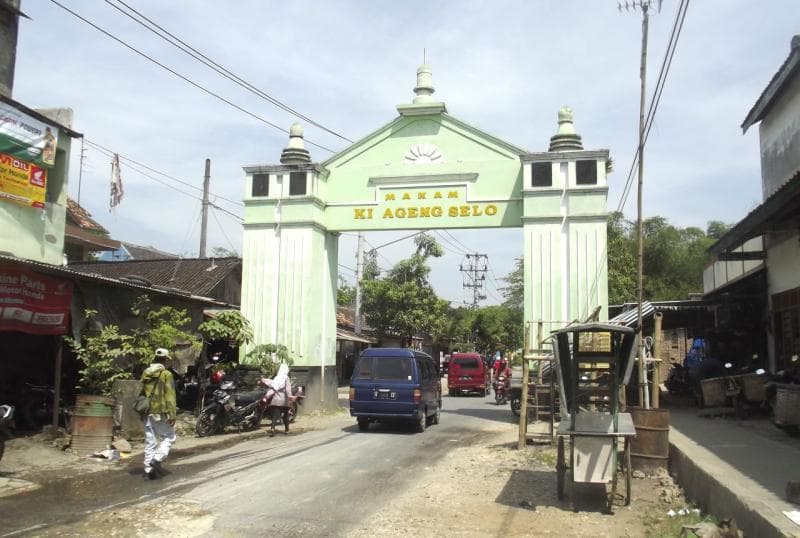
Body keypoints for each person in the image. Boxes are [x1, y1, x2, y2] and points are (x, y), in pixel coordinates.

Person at [140, 347, 177, 480]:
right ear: (166, 359)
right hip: (160, 411)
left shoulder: (146, 372)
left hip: (146, 411)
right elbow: (170, 396)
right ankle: (156, 459)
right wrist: (172, 415)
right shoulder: (166, 374)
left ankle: (148, 470)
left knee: (151, 441)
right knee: (170, 436)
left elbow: (142, 392)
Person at [267, 363, 292, 437]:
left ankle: (272, 428)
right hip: (284, 400)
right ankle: (287, 430)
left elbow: (272, 386)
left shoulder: (276, 377)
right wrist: (290, 397)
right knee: (286, 415)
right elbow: (288, 389)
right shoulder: (286, 378)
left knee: (274, 416)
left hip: (275, 399)